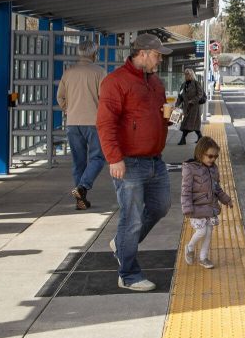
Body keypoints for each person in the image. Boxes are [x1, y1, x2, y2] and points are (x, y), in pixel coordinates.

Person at [97, 33, 173, 292]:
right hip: (128, 162)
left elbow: (156, 116)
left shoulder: (155, 83)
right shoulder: (115, 82)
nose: (159, 61)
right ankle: (128, 275)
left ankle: (121, 243)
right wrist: (114, 158)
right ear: (142, 53)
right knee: (132, 218)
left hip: (155, 160)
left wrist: (166, 120)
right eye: (157, 55)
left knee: (161, 207)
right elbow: (105, 124)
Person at [56, 40, 106, 210]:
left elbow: (60, 97)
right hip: (93, 122)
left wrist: (68, 110)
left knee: (78, 162)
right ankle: (82, 187)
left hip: (72, 123)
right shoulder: (99, 72)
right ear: (94, 54)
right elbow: (105, 99)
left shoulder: (68, 73)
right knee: (98, 158)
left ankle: (81, 200)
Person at [181, 136, 233, 269]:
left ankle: (203, 258)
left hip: (210, 208)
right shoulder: (190, 169)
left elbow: (217, 188)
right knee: (201, 232)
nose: (213, 159)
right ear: (200, 153)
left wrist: (226, 199)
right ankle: (190, 247)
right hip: (196, 209)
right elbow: (186, 190)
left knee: (208, 233)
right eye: (210, 156)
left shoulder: (213, 169)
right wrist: (187, 208)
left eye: (215, 156)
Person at [176, 68, 205, 145]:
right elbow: (180, 96)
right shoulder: (183, 85)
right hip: (186, 108)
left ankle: (183, 139)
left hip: (194, 108)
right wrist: (176, 105)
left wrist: (193, 101)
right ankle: (200, 137)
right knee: (190, 124)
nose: (186, 76)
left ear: (191, 74)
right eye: (185, 74)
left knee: (189, 124)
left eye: (188, 74)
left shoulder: (196, 83)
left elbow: (200, 94)